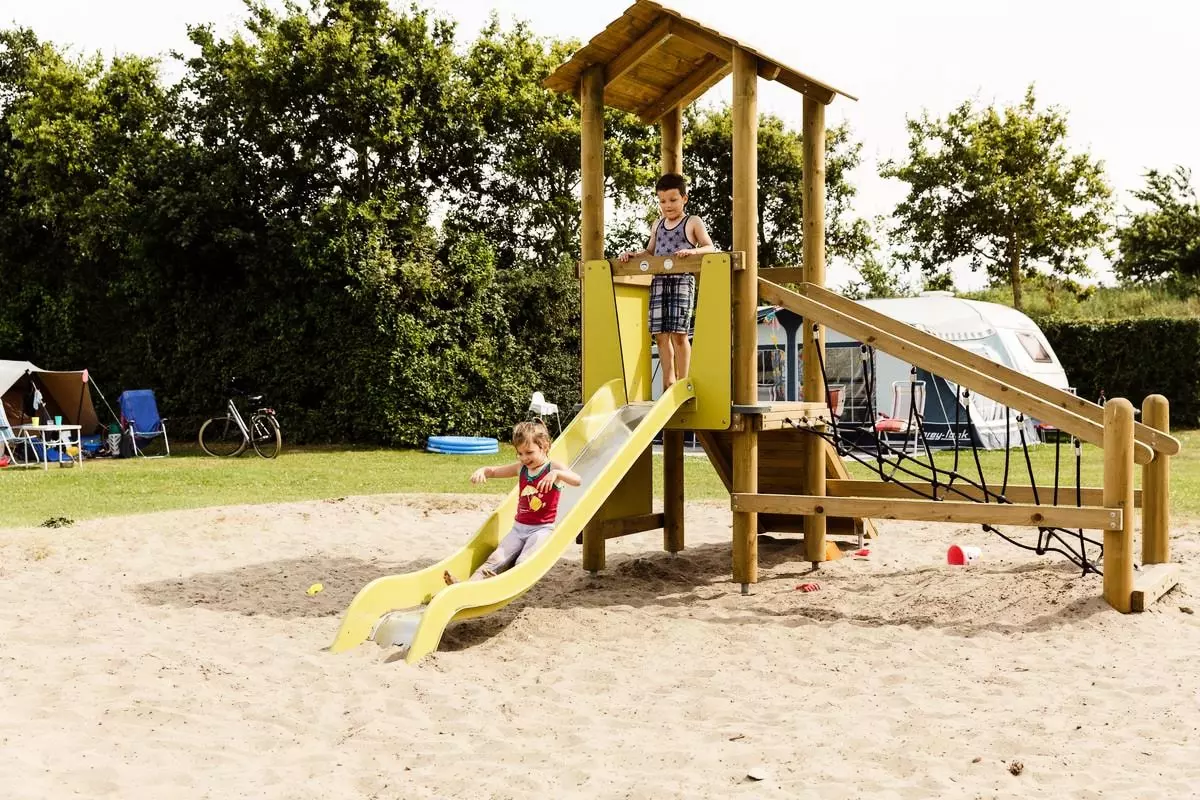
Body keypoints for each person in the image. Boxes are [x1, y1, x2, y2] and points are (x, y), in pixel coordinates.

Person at [444, 420, 581, 584]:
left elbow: (577, 480)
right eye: (520, 453)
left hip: (541, 529)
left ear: (544, 447)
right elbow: (494, 471)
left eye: (529, 452)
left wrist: (557, 474)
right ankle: (466, 586)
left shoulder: (552, 467)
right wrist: (483, 471)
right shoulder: (521, 468)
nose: (524, 458)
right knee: (495, 559)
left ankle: (499, 584)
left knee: (523, 561)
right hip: (518, 529)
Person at [619, 173, 717, 390]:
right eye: (662, 201)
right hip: (659, 282)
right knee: (661, 335)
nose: (668, 205)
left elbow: (710, 247)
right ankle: (668, 381)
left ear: (684, 198)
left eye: (673, 200)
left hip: (681, 281)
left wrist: (692, 252)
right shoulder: (658, 224)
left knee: (679, 334)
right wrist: (633, 255)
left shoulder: (692, 222)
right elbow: (650, 251)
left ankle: (683, 381)